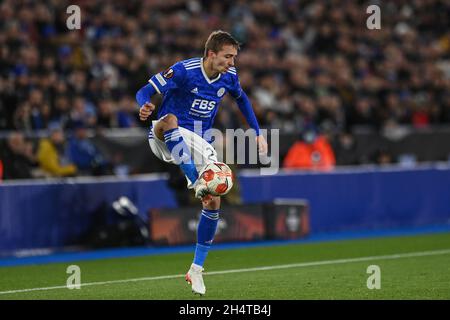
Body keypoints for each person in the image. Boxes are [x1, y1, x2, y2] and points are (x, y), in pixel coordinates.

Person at [136, 30, 267, 295]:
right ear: (211, 54)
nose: (232, 62)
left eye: (234, 57)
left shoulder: (229, 77)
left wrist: (257, 132)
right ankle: (197, 180)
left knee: (213, 201)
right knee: (170, 120)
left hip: (198, 141)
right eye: (228, 56)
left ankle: (196, 269)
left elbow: (242, 100)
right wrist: (145, 105)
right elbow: (145, 90)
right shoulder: (184, 71)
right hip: (163, 134)